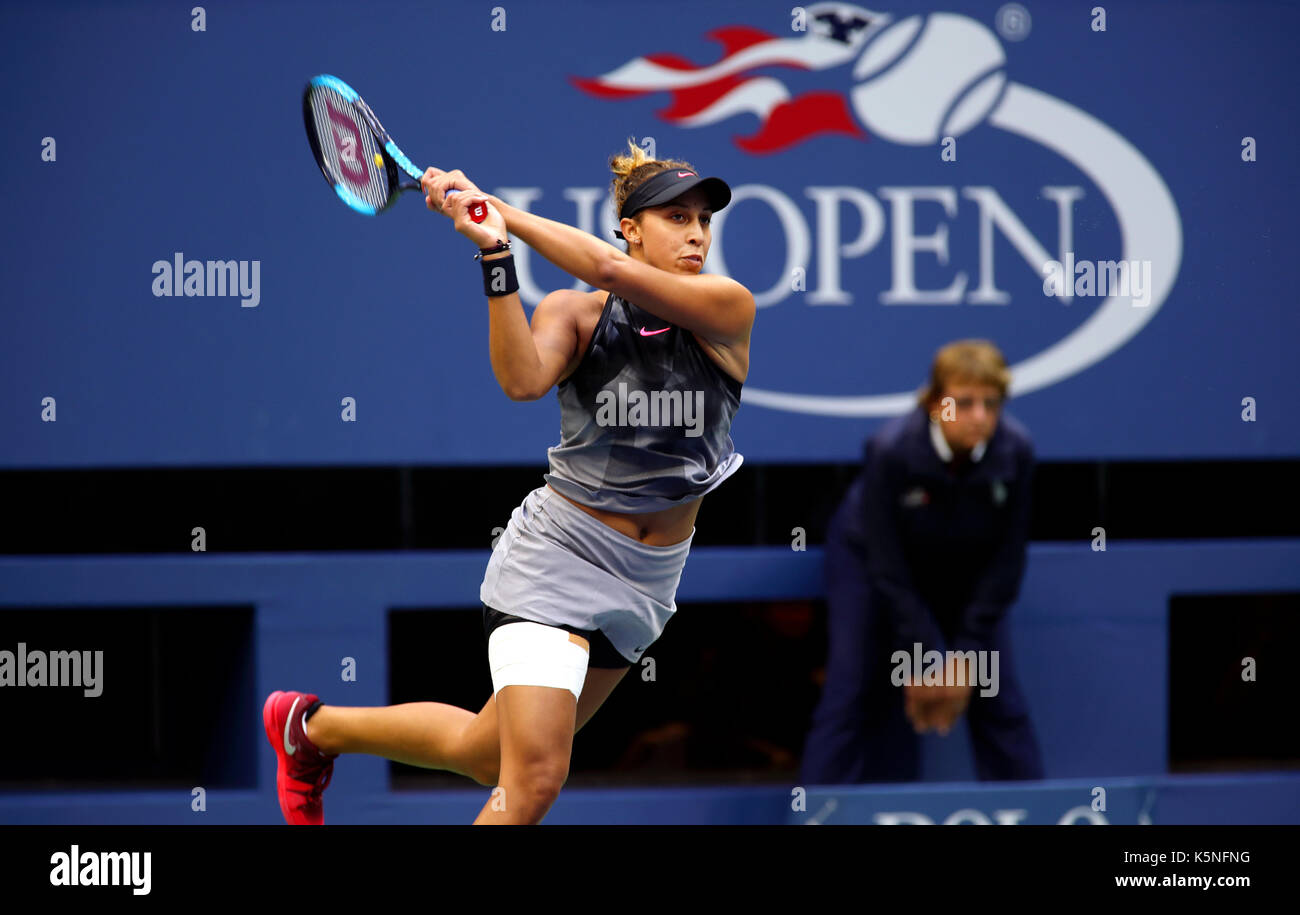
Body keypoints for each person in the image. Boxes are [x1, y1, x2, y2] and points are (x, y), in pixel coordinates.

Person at [263, 141, 755, 824]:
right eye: (676, 217)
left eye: (704, 219)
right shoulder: (576, 314)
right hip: (558, 557)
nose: (697, 232)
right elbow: (522, 380)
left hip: (648, 583)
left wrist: (505, 213)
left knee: (483, 753)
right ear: (632, 227)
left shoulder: (726, 310)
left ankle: (311, 730)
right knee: (534, 781)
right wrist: (497, 257)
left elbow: (610, 267)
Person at [800, 340, 1045, 784]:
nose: (980, 417)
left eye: (992, 405)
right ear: (935, 405)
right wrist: (930, 658)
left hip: (964, 573)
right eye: (964, 403)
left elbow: (1006, 563)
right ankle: (819, 811)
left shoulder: (1017, 451)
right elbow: (887, 565)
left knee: (998, 696)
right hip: (870, 566)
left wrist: (963, 657)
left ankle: (1030, 811)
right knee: (850, 691)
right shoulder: (891, 450)